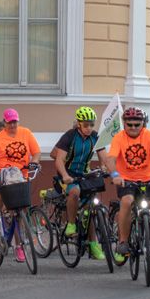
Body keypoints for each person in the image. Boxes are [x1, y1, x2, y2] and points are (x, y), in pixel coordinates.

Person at [102, 107, 150, 263]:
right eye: (130, 124)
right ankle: (123, 241)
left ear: (143, 124)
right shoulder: (119, 138)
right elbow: (110, 159)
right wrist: (115, 175)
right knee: (127, 201)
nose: (134, 127)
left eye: (137, 124)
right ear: (124, 124)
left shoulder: (149, 136)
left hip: (149, 179)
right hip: (126, 180)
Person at [0, 108, 41, 263]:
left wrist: (34, 163)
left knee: (21, 210)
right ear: (5, 122)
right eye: (10, 122)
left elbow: (36, 152)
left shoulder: (26, 133)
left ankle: (19, 246)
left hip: (20, 175)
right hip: (0, 175)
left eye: (15, 122)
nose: (13, 125)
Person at [51, 107, 107, 260]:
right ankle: (70, 224)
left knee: (90, 207)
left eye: (91, 125)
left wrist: (104, 167)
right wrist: (64, 175)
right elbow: (59, 159)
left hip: (84, 173)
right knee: (74, 192)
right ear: (79, 124)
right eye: (86, 125)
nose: (89, 128)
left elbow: (104, 156)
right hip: (68, 174)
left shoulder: (95, 136)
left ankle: (93, 244)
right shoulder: (69, 136)